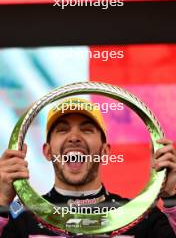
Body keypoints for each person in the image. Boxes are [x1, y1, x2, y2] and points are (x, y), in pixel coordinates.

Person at [0, 97, 176, 238]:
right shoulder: (21, 218)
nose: (74, 137)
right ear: (47, 151)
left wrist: (172, 197)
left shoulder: (141, 215)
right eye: (62, 130)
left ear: (104, 150)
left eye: (86, 130)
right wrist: (1, 201)